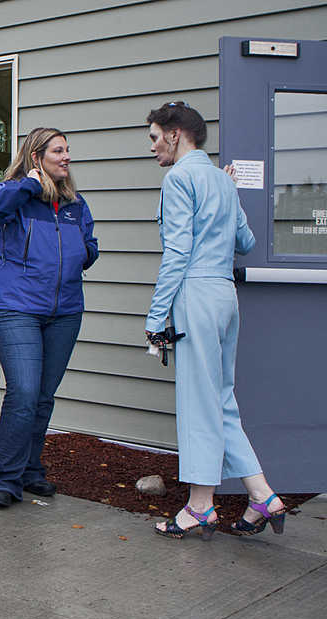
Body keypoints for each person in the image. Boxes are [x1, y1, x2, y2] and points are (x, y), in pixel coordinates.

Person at [145, 101, 287, 540]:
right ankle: (262, 495)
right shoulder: (222, 182)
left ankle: (200, 506)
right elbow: (245, 240)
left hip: (197, 295)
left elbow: (178, 253)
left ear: (174, 134)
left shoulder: (180, 177)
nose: (152, 148)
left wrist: (155, 316)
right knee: (221, 400)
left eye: (154, 137)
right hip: (226, 295)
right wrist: (229, 198)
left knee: (199, 403)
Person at [0, 128, 98, 508]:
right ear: (36, 157)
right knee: (24, 393)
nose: (66, 157)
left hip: (64, 313)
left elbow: (89, 249)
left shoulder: (76, 204)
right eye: (57, 151)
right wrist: (28, 185)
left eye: (67, 151)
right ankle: (6, 479)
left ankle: (30, 471)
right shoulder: (15, 199)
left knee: (43, 398)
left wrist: (80, 252)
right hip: (17, 309)